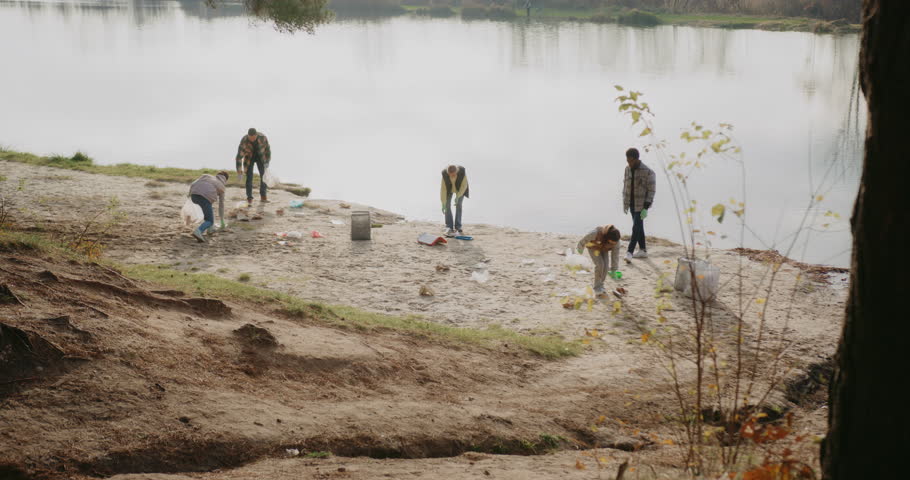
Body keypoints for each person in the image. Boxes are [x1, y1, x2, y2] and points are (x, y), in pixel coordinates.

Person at [622, 147, 656, 261]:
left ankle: (629, 252)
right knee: (639, 227)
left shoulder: (648, 172)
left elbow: (651, 191)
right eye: (628, 161)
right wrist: (625, 203)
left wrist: (645, 207)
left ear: (637, 159)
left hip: (641, 205)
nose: (629, 163)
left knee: (636, 227)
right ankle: (643, 250)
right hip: (631, 203)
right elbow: (625, 186)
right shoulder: (627, 169)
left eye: (631, 161)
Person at [576, 224, 621, 294]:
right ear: (608, 238)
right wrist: (580, 248)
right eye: (612, 242)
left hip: (604, 249)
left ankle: (601, 285)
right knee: (600, 265)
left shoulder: (616, 242)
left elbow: (615, 256)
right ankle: (597, 287)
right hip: (593, 247)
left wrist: (614, 269)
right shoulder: (596, 233)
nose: (614, 244)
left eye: (614, 243)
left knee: (606, 266)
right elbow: (584, 239)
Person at [189, 171, 229, 243]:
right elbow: (221, 205)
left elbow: (193, 183)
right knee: (210, 220)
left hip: (194, 196)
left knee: (209, 213)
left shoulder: (206, 176)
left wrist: (190, 194)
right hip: (204, 199)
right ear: (225, 180)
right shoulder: (222, 187)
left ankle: (210, 229)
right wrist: (222, 220)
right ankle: (199, 231)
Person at [235, 127, 272, 206]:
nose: (252, 140)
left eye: (253, 138)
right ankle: (249, 198)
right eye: (250, 138)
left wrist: (267, 161)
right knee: (249, 177)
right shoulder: (244, 140)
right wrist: (239, 171)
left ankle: (263, 196)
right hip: (249, 158)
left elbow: (268, 149)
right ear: (248, 136)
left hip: (261, 157)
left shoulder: (262, 137)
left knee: (263, 176)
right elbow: (239, 157)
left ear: (256, 135)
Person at [440, 165, 469, 237]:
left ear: (457, 172)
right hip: (449, 189)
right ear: (448, 173)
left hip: (460, 189)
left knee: (459, 204)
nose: (452, 176)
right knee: (447, 205)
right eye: (451, 175)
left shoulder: (462, 172)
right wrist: (443, 203)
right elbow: (443, 190)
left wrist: (458, 197)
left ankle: (458, 226)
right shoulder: (444, 174)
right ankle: (449, 226)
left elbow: (464, 186)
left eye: (454, 175)